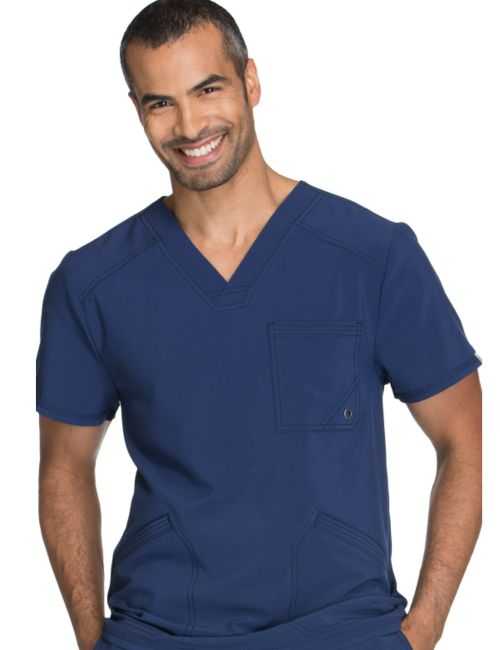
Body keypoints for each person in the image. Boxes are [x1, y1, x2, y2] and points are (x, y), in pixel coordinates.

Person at [36, 2, 482, 649]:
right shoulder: (92, 282)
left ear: (250, 81)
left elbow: (462, 437)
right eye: (160, 103)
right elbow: (64, 468)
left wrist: (424, 628)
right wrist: (89, 637)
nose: (189, 126)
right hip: (159, 633)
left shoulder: (372, 256)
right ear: (136, 109)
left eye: (207, 89)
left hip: (343, 632)